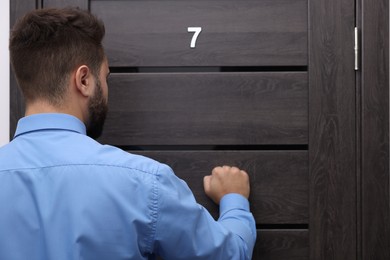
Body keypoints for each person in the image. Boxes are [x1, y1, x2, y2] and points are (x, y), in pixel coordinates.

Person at [0, 7, 256, 260]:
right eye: (106, 77)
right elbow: (232, 254)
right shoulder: (145, 183)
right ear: (84, 80)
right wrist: (234, 199)